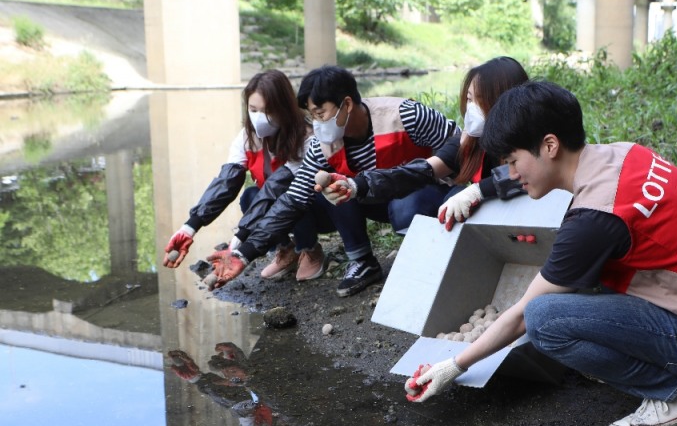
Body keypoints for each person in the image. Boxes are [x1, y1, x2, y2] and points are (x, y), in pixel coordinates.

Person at [404, 80, 677, 426]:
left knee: (543, 319)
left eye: (513, 161)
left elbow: (520, 318)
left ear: (549, 145)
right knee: (575, 276)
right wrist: (479, 190)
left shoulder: (595, 219)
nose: (512, 174)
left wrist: (454, 364)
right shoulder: (621, 155)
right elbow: (539, 180)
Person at [208, 65, 459, 297]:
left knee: (404, 206)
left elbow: (459, 144)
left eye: (320, 113)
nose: (316, 124)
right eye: (312, 115)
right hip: (372, 196)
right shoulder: (322, 144)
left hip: (428, 193)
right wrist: (243, 253)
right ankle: (362, 261)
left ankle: (430, 258)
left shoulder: (405, 114)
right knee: (328, 186)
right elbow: (294, 198)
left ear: (346, 104)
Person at [314, 56, 528, 228]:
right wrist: (356, 184)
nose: (470, 108)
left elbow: (527, 173)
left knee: (462, 196)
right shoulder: (469, 143)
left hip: (536, 214)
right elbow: (422, 170)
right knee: (452, 198)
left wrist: (479, 190)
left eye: (479, 100)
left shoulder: (532, 136)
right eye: (469, 99)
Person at [163, 70, 327, 282]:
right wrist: (189, 228)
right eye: (253, 109)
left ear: (284, 109)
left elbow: (279, 187)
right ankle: (287, 249)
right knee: (250, 195)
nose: (259, 117)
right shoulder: (246, 138)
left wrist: (237, 244)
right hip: (276, 206)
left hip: (313, 206)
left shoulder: (307, 136)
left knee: (284, 197)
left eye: (267, 110)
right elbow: (226, 181)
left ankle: (310, 249)